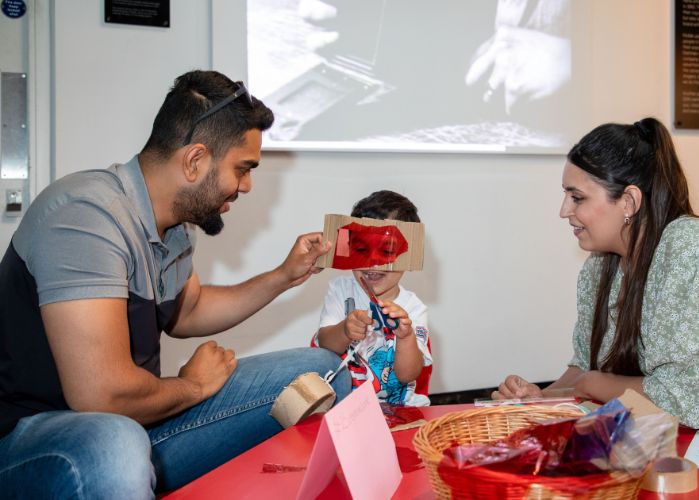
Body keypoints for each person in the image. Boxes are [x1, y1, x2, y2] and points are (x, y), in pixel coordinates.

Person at [0, 70, 351, 497]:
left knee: (323, 372)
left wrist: (282, 277)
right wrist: (194, 387)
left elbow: (188, 310)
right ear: (194, 160)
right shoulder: (85, 215)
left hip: (133, 425)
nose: (246, 185)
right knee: (114, 440)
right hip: (36, 439)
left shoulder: (174, 228)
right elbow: (102, 396)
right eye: (243, 169)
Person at [493, 117, 699, 440]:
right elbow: (583, 365)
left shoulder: (695, 251)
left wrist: (591, 383)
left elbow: (693, 400)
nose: (563, 210)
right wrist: (538, 398)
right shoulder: (599, 267)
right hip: (666, 436)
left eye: (577, 197)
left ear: (629, 201)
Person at [312, 190, 433, 406]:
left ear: (407, 256)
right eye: (361, 249)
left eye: (386, 251)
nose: (373, 263)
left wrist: (405, 337)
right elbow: (324, 344)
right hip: (343, 407)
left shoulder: (413, 308)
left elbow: (408, 375)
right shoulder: (341, 290)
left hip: (400, 408)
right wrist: (345, 330)